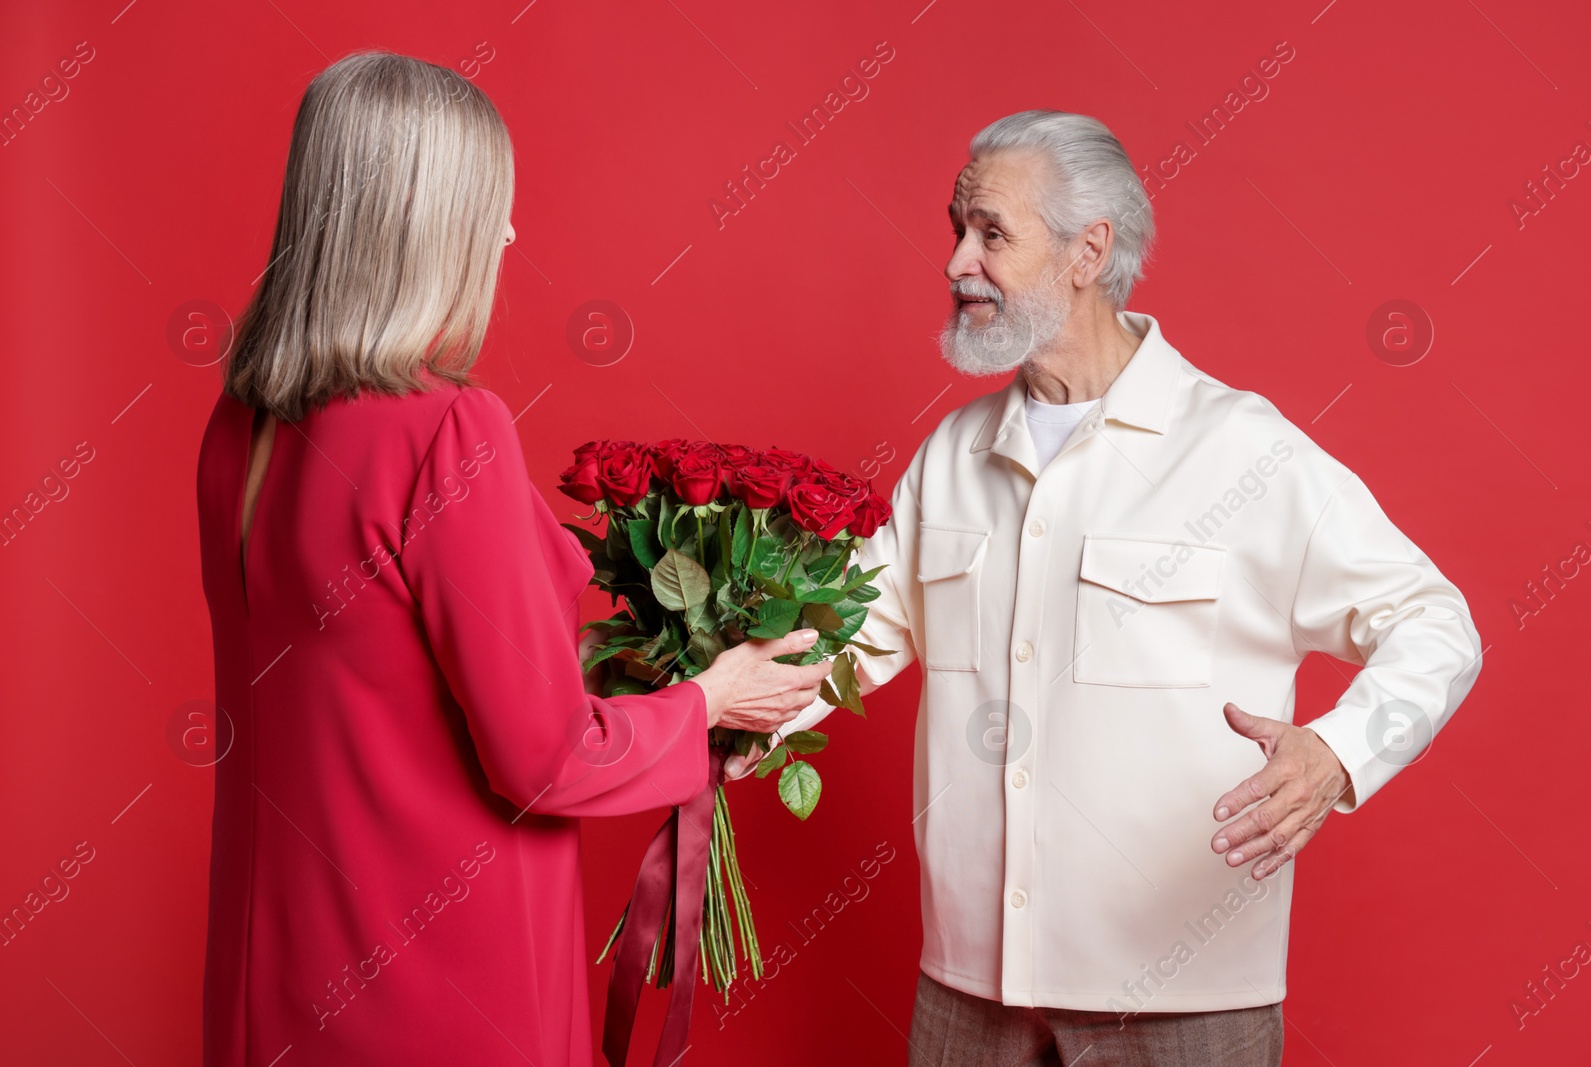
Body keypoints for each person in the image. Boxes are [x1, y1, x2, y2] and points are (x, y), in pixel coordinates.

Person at [732, 110, 1483, 1066]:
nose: (959, 260)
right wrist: (718, 718)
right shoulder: (952, 456)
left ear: (1089, 252)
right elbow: (850, 636)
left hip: (1187, 1006)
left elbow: (1434, 619)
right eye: (957, 228)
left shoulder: (1244, 450)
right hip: (968, 992)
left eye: (991, 233)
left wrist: (1339, 752)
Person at [195, 51, 832, 1067]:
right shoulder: (450, 430)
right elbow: (543, 756)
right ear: (420, 217)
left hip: (273, 975)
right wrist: (709, 700)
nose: (508, 232)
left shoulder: (240, 426)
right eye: (489, 204)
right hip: (439, 979)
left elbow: (376, 684)